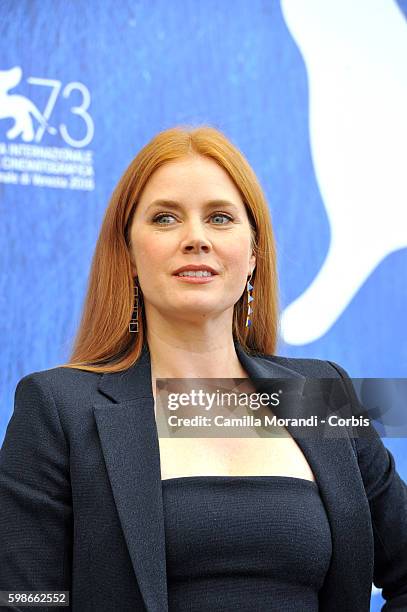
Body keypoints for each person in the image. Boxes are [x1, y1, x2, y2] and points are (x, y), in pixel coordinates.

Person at [0, 125, 406, 612]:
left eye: (219, 217)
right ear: (128, 253)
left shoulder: (320, 393)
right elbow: (26, 599)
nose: (196, 238)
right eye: (166, 218)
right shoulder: (58, 408)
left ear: (254, 253)